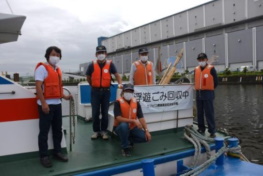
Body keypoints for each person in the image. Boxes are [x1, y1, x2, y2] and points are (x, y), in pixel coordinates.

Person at [35, 46, 72, 168]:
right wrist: (44, 103)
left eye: (57, 55)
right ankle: (44, 156)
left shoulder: (57, 70)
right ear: (47, 55)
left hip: (57, 104)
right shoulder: (42, 68)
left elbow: (58, 88)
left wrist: (65, 97)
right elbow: (38, 87)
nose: (55, 57)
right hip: (46, 105)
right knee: (44, 132)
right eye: (53, 54)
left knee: (57, 130)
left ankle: (57, 151)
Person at [86, 45, 122, 140]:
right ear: (96, 54)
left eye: (102, 52)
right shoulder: (92, 65)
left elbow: (117, 75)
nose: (101, 54)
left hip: (106, 92)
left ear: (106, 54)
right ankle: (96, 131)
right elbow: (88, 77)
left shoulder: (110, 64)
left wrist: (120, 84)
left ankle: (104, 131)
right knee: (95, 112)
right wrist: (93, 85)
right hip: (95, 92)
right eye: (99, 53)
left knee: (105, 112)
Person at [113, 83, 152, 156]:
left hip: (132, 127)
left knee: (145, 138)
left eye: (130, 91)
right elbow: (118, 118)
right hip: (119, 127)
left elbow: (141, 117)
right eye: (127, 91)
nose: (129, 93)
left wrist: (146, 131)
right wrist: (133, 121)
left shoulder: (136, 102)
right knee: (124, 126)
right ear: (123, 92)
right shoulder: (117, 102)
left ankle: (127, 140)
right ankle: (125, 148)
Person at [194, 53, 218, 138]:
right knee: (199, 112)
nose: (201, 61)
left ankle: (212, 130)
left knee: (209, 112)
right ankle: (201, 128)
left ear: (206, 59)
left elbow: (216, 82)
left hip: (208, 93)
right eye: (200, 60)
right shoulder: (196, 69)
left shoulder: (211, 69)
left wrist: (210, 88)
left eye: (203, 59)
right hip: (198, 93)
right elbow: (195, 80)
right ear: (198, 60)